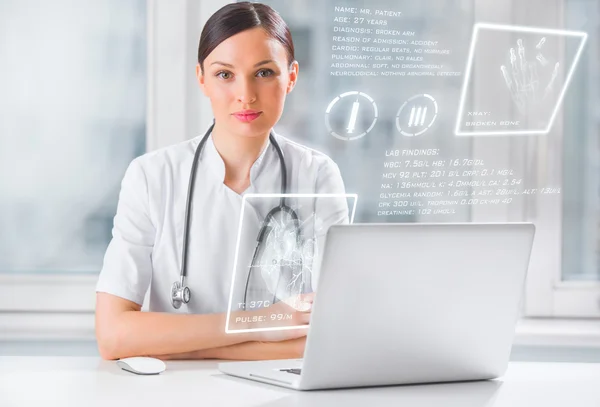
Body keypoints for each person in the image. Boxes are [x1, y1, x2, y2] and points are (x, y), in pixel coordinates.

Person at [95, 2, 349, 361]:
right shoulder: (152, 176)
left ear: (291, 77)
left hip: (279, 393)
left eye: (263, 73)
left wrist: (181, 345)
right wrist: (260, 324)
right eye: (225, 74)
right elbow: (114, 336)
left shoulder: (318, 176)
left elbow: (333, 335)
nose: (245, 94)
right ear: (201, 78)